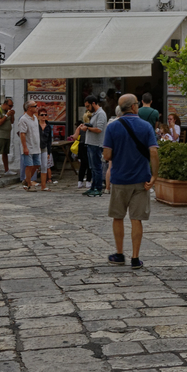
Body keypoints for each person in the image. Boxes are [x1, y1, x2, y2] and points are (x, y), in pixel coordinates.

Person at [102, 94, 158, 269]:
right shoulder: (146, 126)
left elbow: (107, 155)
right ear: (134, 107)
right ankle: (135, 258)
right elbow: (154, 152)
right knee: (136, 219)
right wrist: (154, 175)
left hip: (119, 179)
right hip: (141, 179)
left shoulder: (112, 128)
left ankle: (119, 254)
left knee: (118, 217)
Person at [78, 96, 108, 197]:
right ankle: (93, 187)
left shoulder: (101, 114)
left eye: (88, 106)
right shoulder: (95, 114)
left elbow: (99, 129)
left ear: (93, 103)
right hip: (91, 143)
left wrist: (87, 128)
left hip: (96, 144)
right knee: (92, 167)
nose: (87, 108)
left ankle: (98, 188)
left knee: (97, 167)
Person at [17, 101, 42, 192]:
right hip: (28, 145)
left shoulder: (35, 118)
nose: (36, 107)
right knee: (29, 165)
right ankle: (29, 184)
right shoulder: (23, 119)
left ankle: (27, 180)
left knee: (37, 164)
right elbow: (22, 134)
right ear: (29, 108)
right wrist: (25, 147)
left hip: (35, 145)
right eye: (34, 106)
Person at [0, 98, 15, 178]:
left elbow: (12, 122)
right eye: (10, 106)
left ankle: (7, 170)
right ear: (5, 104)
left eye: (12, 106)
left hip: (7, 135)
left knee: (5, 153)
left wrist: (12, 115)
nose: (10, 107)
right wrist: (7, 115)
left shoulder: (7, 111)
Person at [36, 108, 54, 191]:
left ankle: (43, 185)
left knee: (44, 166)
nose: (44, 116)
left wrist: (49, 152)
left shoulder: (48, 126)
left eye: (45, 115)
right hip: (36, 147)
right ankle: (28, 180)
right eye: (42, 115)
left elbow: (49, 140)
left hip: (44, 147)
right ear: (38, 116)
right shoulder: (36, 125)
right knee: (35, 165)